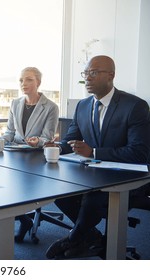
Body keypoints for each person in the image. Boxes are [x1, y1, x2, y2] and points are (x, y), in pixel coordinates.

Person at [45, 55, 150, 259]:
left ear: (111, 75)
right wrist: (55, 146)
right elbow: (70, 141)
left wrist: (93, 152)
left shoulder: (135, 106)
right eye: (85, 73)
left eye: (93, 72)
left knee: (92, 197)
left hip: (128, 176)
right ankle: (93, 238)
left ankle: (74, 237)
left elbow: (139, 153)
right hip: (93, 172)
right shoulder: (83, 106)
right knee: (59, 191)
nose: (87, 78)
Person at [0, 67, 59, 259]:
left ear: (38, 82)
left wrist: (37, 141)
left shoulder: (51, 107)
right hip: (15, 157)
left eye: (28, 80)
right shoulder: (15, 103)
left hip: (36, 160)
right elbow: (10, 133)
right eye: (21, 80)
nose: (23, 84)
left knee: (9, 197)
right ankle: (25, 220)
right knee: (4, 192)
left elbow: (47, 137)